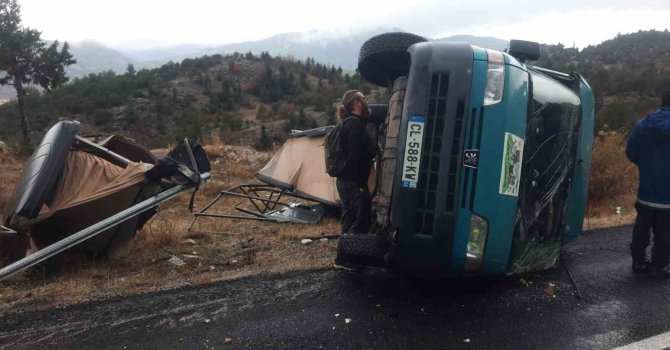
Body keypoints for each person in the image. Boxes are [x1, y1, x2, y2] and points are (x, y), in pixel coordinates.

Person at [626, 89, 670, 277]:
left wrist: (647, 165)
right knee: (666, 233)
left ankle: (638, 261)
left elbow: (631, 152)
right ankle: (658, 265)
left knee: (642, 227)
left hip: (646, 192)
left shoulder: (642, 125)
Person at [333, 90, 377, 271]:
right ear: (357, 103)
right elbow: (354, 158)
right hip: (353, 182)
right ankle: (347, 257)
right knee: (361, 218)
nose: (366, 101)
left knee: (349, 217)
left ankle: (344, 258)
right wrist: (360, 185)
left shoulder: (350, 123)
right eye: (363, 99)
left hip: (346, 180)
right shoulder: (355, 126)